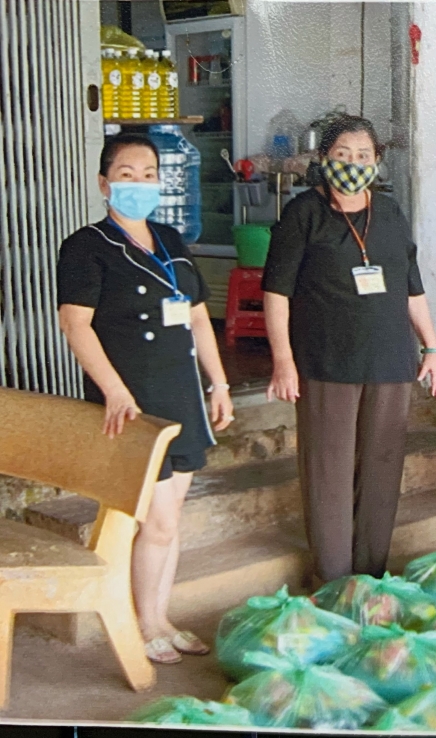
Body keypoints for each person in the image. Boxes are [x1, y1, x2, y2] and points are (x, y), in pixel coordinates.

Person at [57, 134, 234, 665]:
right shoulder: (85, 246)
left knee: (169, 516)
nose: (139, 183)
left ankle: (159, 617)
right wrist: (114, 391)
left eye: (149, 174)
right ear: (104, 183)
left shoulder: (170, 238)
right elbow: (75, 325)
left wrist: (220, 383)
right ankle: (142, 623)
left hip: (181, 393)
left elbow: (198, 315)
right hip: (132, 400)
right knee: (151, 518)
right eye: (126, 174)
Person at [262, 115, 436, 585]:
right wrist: (283, 361)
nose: (353, 163)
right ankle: (333, 583)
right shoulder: (303, 214)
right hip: (326, 362)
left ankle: (371, 578)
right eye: (342, 154)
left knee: (382, 469)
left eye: (363, 155)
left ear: (377, 160)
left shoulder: (391, 213)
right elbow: (276, 293)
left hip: (390, 360)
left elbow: (412, 287)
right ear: (324, 158)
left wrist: (432, 348)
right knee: (330, 473)